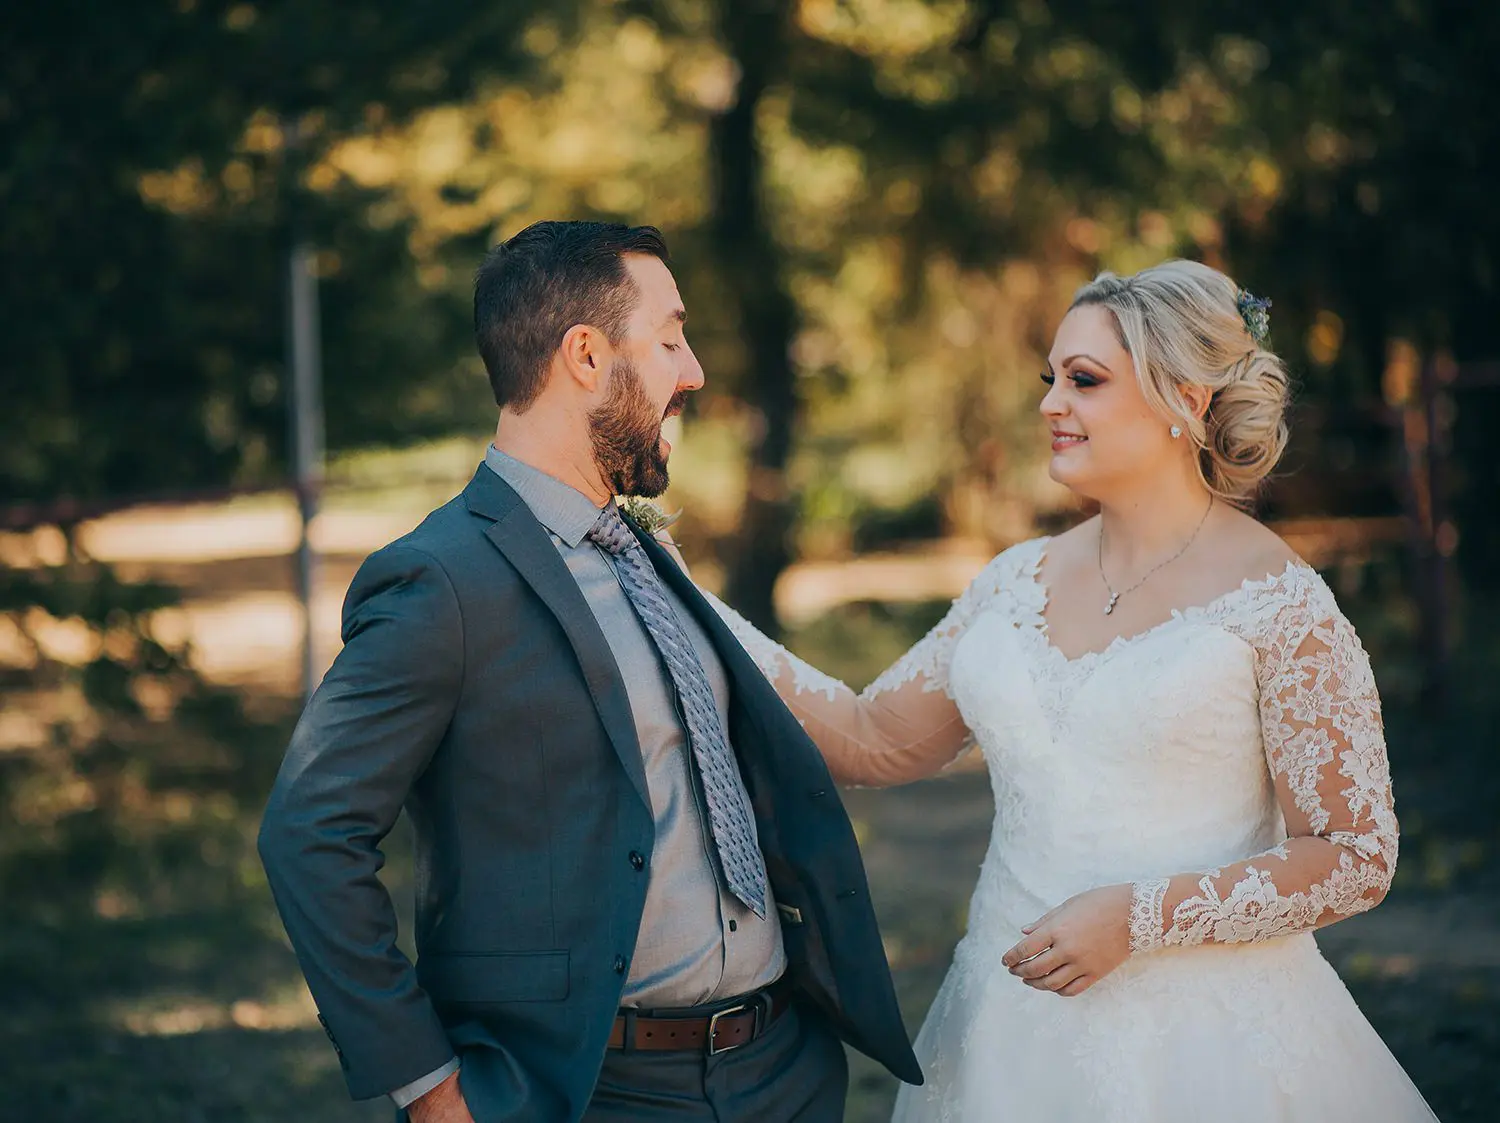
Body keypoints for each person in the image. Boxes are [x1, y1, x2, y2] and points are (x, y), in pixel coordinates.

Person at [705, 260, 1439, 1121]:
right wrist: (686, 600)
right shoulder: (1012, 581)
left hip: (1206, 1053)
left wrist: (1139, 916)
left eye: (1084, 381)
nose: (1052, 403)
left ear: (1187, 400)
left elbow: (1356, 855)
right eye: (1051, 378)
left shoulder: (1281, 602)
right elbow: (874, 737)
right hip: (1006, 1038)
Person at [256, 220, 920, 1123]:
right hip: (595, 1092)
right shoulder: (441, 580)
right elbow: (310, 830)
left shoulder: (647, 549)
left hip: (782, 1074)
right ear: (584, 354)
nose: (692, 371)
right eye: (671, 338)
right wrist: (430, 1091)